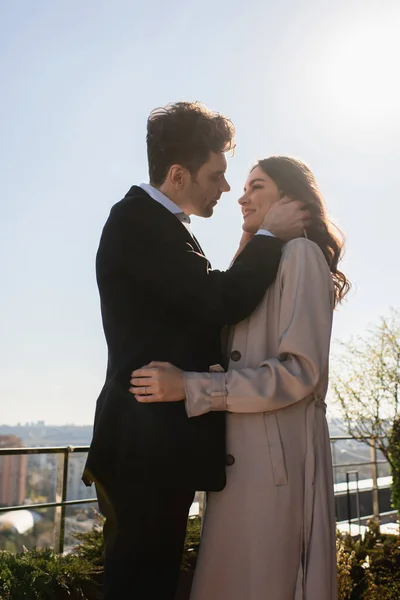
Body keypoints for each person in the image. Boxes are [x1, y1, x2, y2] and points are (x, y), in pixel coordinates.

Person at [83, 104, 309, 600]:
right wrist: (270, 236)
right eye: (218, 175)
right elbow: (218, 300)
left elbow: (205, 300)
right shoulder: (138, 222)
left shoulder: (161, 226)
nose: (227, 189)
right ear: (179, 174)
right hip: (144, 448)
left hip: (155, 447)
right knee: (140, 585)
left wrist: (253, 238)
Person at [129, 156, 350, 600]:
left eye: (257, 187)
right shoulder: (267, 258)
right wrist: (251, 239)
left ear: (289, 199)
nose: (242, 196)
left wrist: (193, 387)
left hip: (275, 468)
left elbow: (301, 371)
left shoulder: (302, 255)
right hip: (240, 464)